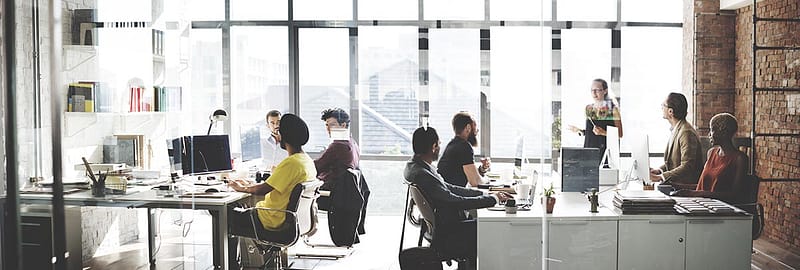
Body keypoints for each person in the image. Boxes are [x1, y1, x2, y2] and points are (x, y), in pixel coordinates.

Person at [404, 126, 511, 269]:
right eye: (439, 144)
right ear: (434, 146)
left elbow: (449, 188)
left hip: (440, 228)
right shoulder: (423, 174)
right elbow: (454, 201)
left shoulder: (415, 166)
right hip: (448, 233)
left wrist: (485, 195)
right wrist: (493, 200)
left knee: (482, 222)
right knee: (491, 227)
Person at [227, 113, 317, 233]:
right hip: (289, 218)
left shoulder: (291, 163)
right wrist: (248, 185)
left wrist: (242, 188)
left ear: (284, 136)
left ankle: (226, 252)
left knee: (226, 211)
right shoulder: (306, 160)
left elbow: (262, 190)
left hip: (271, 219)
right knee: (240, 209)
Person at [671, 113, 748, 204]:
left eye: (712, 130)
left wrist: (694, 193)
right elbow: (703, 187)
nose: (709, 134)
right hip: (701, 204)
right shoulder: (711, 153)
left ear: (723, 132)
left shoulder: (740, 159)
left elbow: (734, 195)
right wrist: (677, 186)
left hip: (721, 209)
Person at [649, 92, 704, 189]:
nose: (661, 107)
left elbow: (687, 166)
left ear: (670, 111)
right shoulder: (677, 129)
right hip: (675, 186)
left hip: (685, 189)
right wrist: (659, 170)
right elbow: (673, 162)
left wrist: (660, 178)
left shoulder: (686, 132)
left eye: (663, 105)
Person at [568, 79, 623, 158]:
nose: (594, 93)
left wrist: (603, 132)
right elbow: (591, 133)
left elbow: (620, 134)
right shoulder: (588, 108)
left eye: (597, 90)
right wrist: (579, 131)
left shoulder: (613, 110)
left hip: (606, 154)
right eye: (592, 90)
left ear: (605, 91)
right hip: (588, 153)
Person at [437, 111, 491, 187]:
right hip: (452, 195)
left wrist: (482, 169)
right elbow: (475, 182)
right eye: (475, 126)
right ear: (468, 128)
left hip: (449, 192)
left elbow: (470, 175)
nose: (477, 131)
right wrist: (487, 180)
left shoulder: (453, 145)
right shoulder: (464, 146)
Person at [315, 108, 361, 183]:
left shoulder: (338, 146)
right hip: (342, 191)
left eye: (332, 125)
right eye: (327, 125)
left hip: (331, 190)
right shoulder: (353, 143)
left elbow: (316, 167)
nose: (328, 129)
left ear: (343, 125)